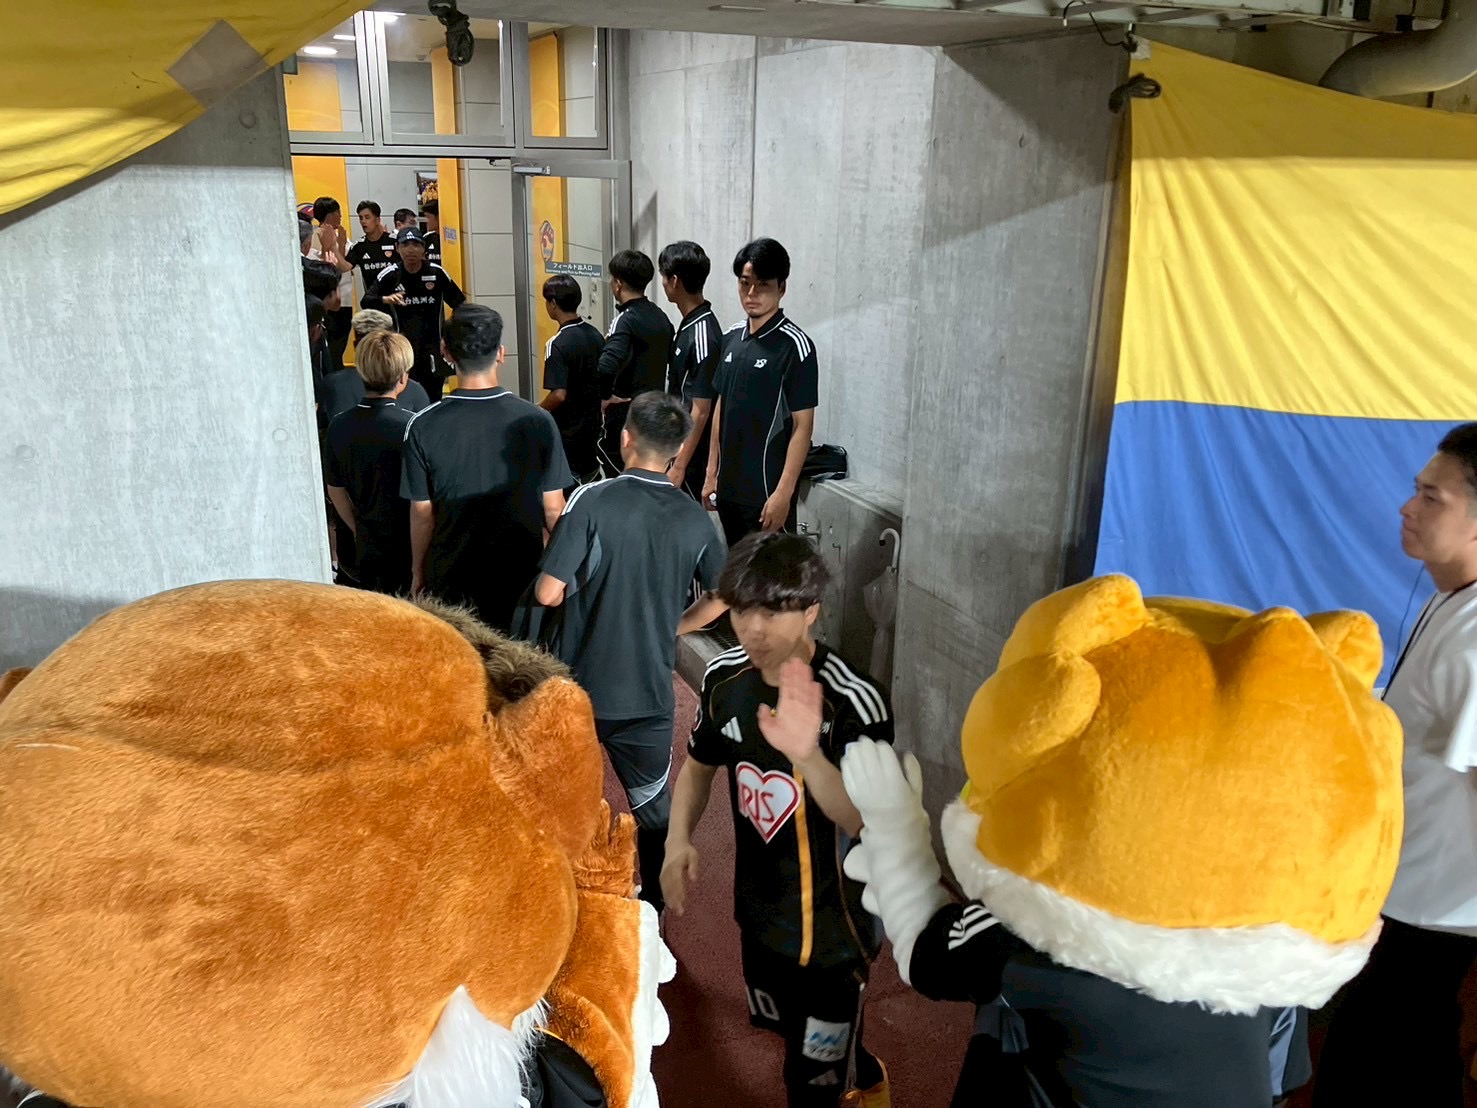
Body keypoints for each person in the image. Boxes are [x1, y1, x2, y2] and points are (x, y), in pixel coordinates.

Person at [663, 532, 892, 1108]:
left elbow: (872, 825)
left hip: (836, 938)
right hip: (762, 920)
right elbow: (698, 767)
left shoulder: (854, 702)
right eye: (742, 610)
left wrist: (807, 757)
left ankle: (857, 1079)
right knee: (797, 1041)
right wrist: (677, 840)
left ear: (811, 610)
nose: (753, 629)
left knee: (809, 1087)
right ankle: (865, 1075)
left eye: (772, 612)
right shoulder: (724, 681)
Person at [1314, 423, 1477, 1107]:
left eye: (1432, 498)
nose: (1407, 508)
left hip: (1438, 925)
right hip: (1404, 905)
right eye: (1416, 491)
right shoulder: (1451, 598)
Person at [533, 392, 728, 913]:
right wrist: (673, 626)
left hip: (578, 691)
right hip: (646, 695)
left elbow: (548, 593)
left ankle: (554, 910)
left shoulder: (590, 501)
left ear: (625, 439)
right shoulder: (693, 519)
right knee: (654, 811)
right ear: (677, 450)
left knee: (559, 804)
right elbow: (724, 596)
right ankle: (656, 915)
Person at [402, 304, 571, 631]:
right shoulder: (537, 420)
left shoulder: (422, 426)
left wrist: (418, 573)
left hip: (451, 580)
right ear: (501, 353)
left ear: (446, 353)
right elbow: (553, 509)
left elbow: (422, 513)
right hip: (520, 577)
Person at [700, 238, 817, 547]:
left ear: (782, 288)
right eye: (745, 283)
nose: (751, 293)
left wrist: (783, 493)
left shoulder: (795, 346)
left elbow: (803, 426)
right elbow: (720, 407)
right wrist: (711, 472)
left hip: (767, 495)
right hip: (728, 492)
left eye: (763, 285)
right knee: (736, 571)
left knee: (770, 575)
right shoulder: (730, 339)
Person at [323, 330, 418, 597]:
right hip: (407, 548)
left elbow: (335, 490)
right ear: (403, 377)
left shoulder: (339, 425)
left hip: (362, 551)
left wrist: (358, 529)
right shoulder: (413, 426)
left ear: (361, 372)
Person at [364, 227, 466, 403]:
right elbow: (366, 301)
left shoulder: (436, 273)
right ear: (397, 248)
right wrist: (385, 299)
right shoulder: (390, 275)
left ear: (424, 248)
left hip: (432, 348)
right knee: (405, 397)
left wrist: (448, 335)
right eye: (405, 245)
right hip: (402, 349)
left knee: (433, 398)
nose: (411, 250)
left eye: (416, 245)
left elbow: (460, 304)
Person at [596, 250, 674, 477]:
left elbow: (606, 367)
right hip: (655, 413)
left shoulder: (625, 320)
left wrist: (606, 396)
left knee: (620, 475)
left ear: (618, 283)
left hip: (627, 415)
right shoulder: (661, 317)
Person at [659, 241, 724, 502]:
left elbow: (701, 409)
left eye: (664, 276)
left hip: (692, 458)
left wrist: (679, 466)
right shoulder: (689, 325)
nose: (662, 283)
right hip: (676, 445)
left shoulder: (703, 333)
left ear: (675, 281)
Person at [539, 275, 604, 486]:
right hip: (593, 427)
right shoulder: (595, 335)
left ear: (553, 304)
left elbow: (558, 395)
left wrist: (538, 410)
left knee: (566, 488)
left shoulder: (557, 343)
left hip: (568, 433)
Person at [312, 197, 355, 372]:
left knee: (340, 343)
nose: (340, 215)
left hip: (345, 300)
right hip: (327, 301)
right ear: (329, 215)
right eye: (337, 212)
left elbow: (346, 265)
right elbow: (337, 266)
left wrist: (342, 244)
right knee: (330, 349)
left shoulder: (342, 235)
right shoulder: (316, 236)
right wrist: (336, 248)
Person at [345, 201, 401, 301]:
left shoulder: (394, 241)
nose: (363, 221)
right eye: (361, 218)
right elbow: (345, 267)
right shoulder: (358, 246)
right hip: (374, 301)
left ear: (377, 220)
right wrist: (334, 247)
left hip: (398, 299)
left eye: (367, 217)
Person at [422, 199, 442, 266]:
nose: (426, 221)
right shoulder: (426, 238)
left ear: (438, 217)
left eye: (428, 217)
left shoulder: (450, 240)